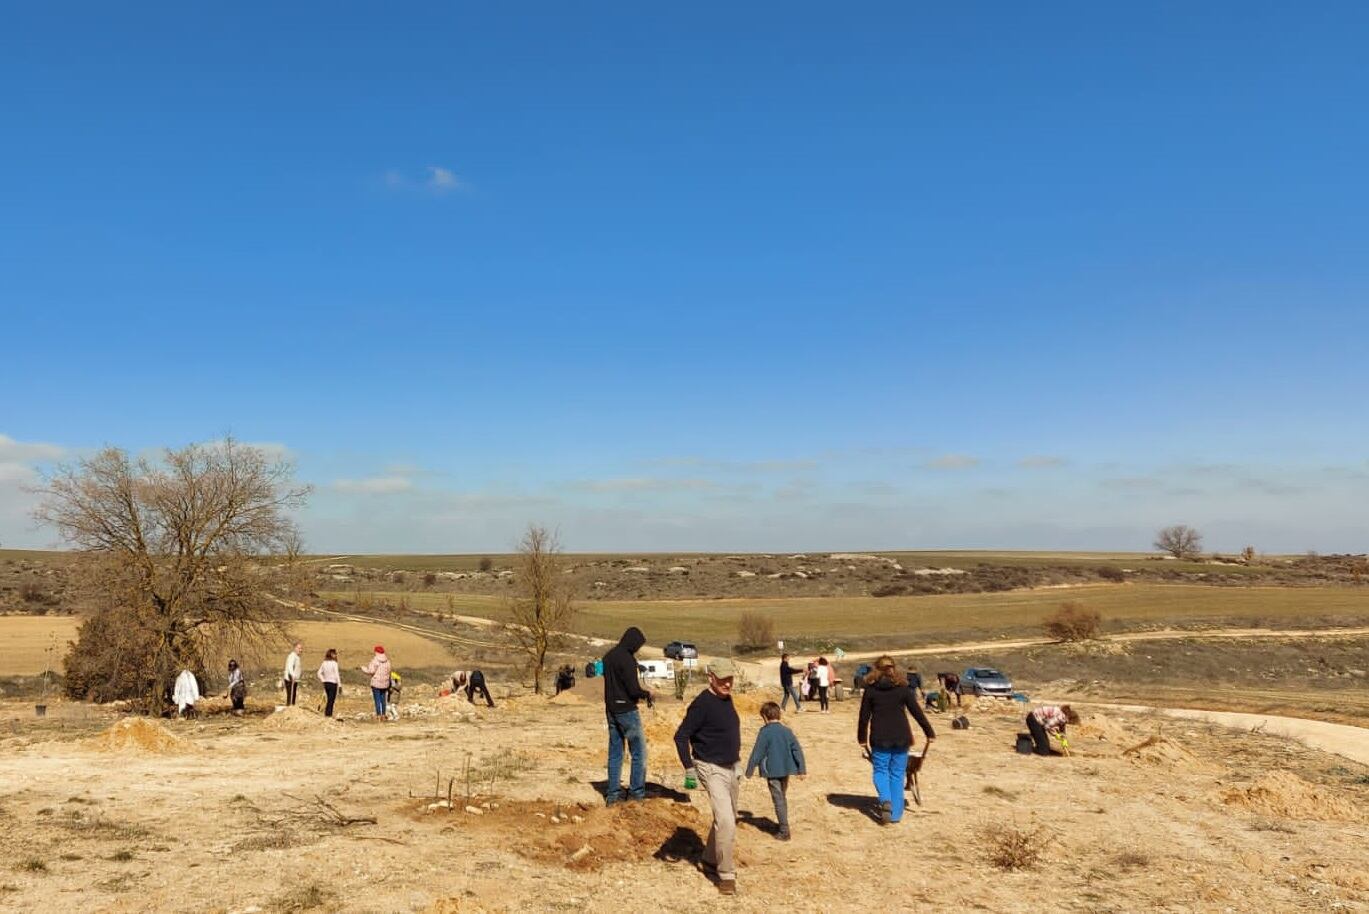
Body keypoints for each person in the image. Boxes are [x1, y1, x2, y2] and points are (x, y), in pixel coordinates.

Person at [675, 658, 742, 896]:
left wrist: (737, 761)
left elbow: (726, 731)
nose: (727, 683)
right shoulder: (701, 704)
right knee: (725, 820)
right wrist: (689, 768)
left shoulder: (727, 699)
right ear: (710, 678)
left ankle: (709, 858)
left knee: (729, 818)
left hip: (731, 767)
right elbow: (680, 736)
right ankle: (726, 874)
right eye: (722, 679)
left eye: (730, 679)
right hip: (709, 767)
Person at [858, 655, 936, 826]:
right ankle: (895, 814)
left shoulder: (871, 690)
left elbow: (864, 717)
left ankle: (885, 800)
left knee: (880, 771)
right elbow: (917, 712)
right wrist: (929, 732)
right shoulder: (902, 688)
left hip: (879, 738)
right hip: (902, 738)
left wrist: (861, 739)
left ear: (875, 669)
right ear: (893, 668)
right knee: (897, 774)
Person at [602, 627, 654, 804]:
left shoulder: (608, 657)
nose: (637, 649)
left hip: (611, 710)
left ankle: (612, 795)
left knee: (615, 753)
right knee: (638, 753)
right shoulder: (628, 660)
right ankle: (636, 794)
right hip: (627, 712)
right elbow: (633, 690)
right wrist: (646, 694)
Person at [744, 701, 806, 841]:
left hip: (772, 771)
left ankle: (784, 831)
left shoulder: (765, 732)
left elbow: (757, 752)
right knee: (782, 797)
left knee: (778, 800)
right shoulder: (787, 731)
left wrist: (749, 770)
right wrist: (801, 769)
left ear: (765, 717)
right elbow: (797, 749)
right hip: (785, 770)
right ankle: (783, 824)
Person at [360, 645, 392, 721]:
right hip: (385, 683)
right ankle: (383, 715)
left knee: (377, 699)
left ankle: (378, 715)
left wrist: (363, 669)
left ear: (376, 652)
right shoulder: (388, 661)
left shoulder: (375, 660)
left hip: (376, 683)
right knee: (383, 699)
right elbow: (389, 671)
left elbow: (371, 671)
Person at [317, 648, 340, 717]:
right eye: (335, 654)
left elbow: (319, 673)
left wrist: (323, 680)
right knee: (331, 700)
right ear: (331, 654)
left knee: (328, 699)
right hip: (333, 683)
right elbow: (336, 674)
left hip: (326, 683)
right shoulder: (334, 663)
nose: (336, 655)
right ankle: (328, 714)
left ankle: (327, 713)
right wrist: (340, 684)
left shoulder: (324, 663)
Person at [283, 642, 303, 707]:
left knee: (293, 695)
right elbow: (290, 666)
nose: (300, 650)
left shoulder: (297, 657)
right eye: (299, 648)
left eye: (301, 648)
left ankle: (292, 707)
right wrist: (292, 675)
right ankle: (289, 708)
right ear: (295, 648)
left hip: (295, 679)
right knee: (290, 695)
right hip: (290, 678)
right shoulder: (292, 656)